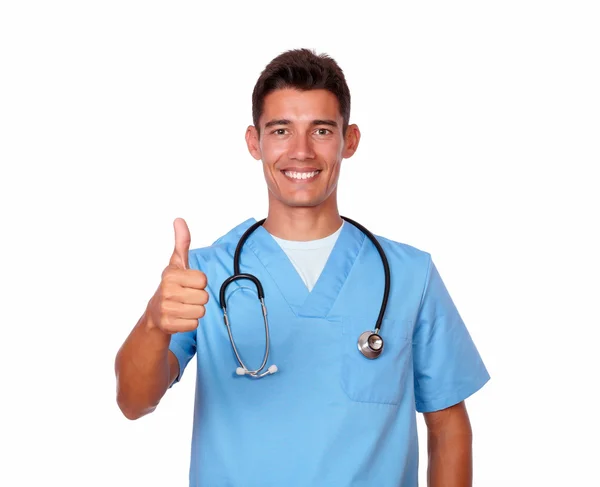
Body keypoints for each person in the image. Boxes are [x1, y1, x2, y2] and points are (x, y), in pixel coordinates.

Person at [114, 48, 490, 487]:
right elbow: (133, 403)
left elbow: (448, 426)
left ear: (349, 140)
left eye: (321, 130)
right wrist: (155, 323)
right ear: (255, 142)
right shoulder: (203, 276)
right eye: (280, 130)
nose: (301, 151)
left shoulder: (410, 275)